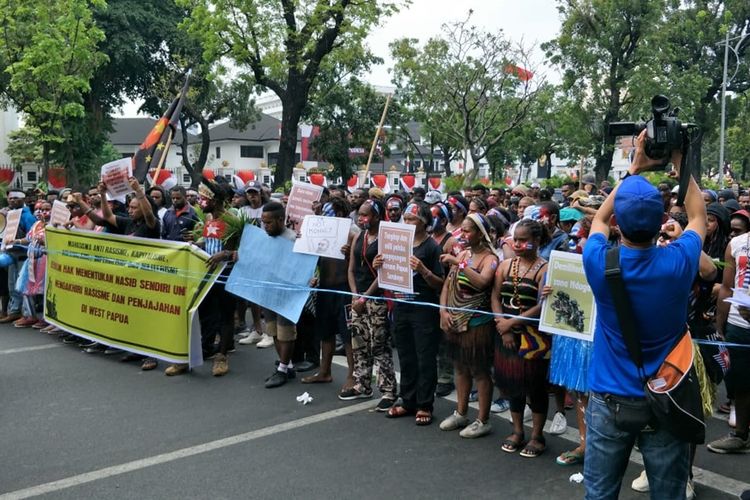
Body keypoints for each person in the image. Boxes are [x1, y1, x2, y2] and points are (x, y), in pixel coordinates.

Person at [581, 130, 705, 499]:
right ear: (662, 220)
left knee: (600, 493)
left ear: (621, 221)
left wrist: (634, 166)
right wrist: (681, 158)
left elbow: (599, 222)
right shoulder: (678, 263)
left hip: (608, 399)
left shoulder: (598, 262)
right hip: (666, 398)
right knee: (668, 494)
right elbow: (698, 214)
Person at [377, 202, 444, 425]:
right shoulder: (397, 244)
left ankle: (425, 404)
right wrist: (380, 264)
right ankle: (408, 401)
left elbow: (440, 284)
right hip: (401, 307)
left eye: (412, 219)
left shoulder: (432, 247)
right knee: (406, 357)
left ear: (425, 223)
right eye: (405, 219)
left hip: (423, 309)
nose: (407, 223)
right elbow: (388, 273)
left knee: (425, 358)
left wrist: (423, 270)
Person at [492, 219, 551, 457]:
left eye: (523, 240)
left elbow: (542, 305)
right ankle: (517, 431)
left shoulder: (545, 269)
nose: (517, 244)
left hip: (534, 339)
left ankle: (537, 435)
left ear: (536, 241)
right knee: (511, 385)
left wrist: (512, 322)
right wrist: (503, 327)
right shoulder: (506, 266)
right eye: (515, 239)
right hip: (506, 335)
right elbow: (495, 296)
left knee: (535, 388)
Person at [438, 213, 499, 438]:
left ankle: (483, 420)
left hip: (477, 323)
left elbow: (483, 282)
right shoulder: (464, 253)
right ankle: (460, 412)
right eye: (461, 230)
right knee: (460, 367)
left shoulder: (490, 258)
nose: (462, 235)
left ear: (480, 234)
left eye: (467, 231)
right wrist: (443, 310)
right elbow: (448, 285)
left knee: (479, 370)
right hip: (455, 321)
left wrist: (457, 262)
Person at [341, 198, 397, 410]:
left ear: (376, 216)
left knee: (379, 346)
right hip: (358, 299)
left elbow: (385, 273)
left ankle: (389, 391)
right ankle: (362, 384)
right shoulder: (359, 237)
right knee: (359, 344)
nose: (361, 218)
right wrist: (355, 295)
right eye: (359, 214)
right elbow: (351, 269)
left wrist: (366, 297)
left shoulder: (386, 237)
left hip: (378, 299)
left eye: (365, 214)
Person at [301, 197, 358, 387]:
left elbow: (358, 266)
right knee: (325, 332)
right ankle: (324, 371)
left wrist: (350, 252)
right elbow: (315, 259)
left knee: (347, 333)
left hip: (344, 290)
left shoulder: (353, 234)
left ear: (340, 214)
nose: (324, 216)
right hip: (325, 287)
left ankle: (352, 375)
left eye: (328, 213)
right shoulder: (321, 233)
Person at [261, 201, 301, 388]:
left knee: (285, 332)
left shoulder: (294, 239)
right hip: (268, 292)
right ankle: (288, 365)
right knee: (273, 331)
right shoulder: (262, 238)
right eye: (263, 222)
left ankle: (283, 369)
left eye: (268, 222)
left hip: (286, 294)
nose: (265, 226)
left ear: (280, 219)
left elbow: (302, 268)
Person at [0, 190, 38, 324]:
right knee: (12, 285)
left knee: (23, 285)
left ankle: (28, 314)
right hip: (10, 254)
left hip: (23, 254)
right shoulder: (8, 214)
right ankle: (14, 311)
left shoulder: (28, 216)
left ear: (23, 200)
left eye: (16, 198)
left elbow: (32, 236)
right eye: (10, 198)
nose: (12, 201)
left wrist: (18, 242)